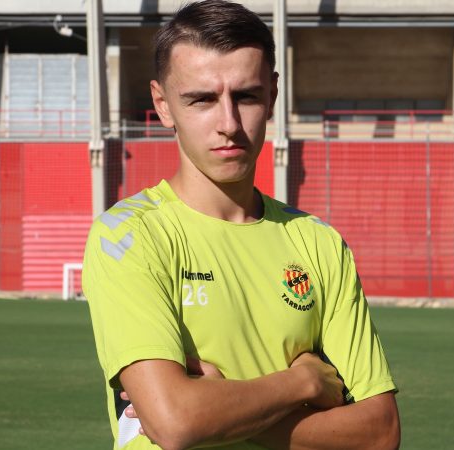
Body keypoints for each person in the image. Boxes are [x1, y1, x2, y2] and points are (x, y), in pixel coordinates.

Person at [83, 1, 400, 449]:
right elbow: (175, 424)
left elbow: (380, 434)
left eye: (246, 96)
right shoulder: (129, 236)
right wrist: (302, 383)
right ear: (163, 105)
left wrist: (215, 407)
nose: (229, 124)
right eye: (202, 99)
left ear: (272, 96)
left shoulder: (319, 242)